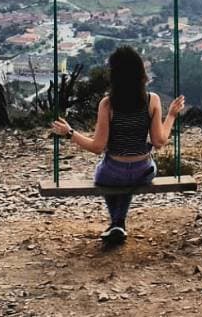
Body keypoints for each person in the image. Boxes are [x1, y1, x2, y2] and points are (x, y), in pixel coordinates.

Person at [51, 46, 185, 246]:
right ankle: (118, 224)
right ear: (141, 72)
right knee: (127, 178)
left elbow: (97, 147)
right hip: (143, 170)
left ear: (114, 75)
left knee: (107, 173)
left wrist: (70, 132)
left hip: (112, 173)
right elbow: (159, 142)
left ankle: (117, 222)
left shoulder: (107, 104)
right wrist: (172, 115)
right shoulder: (152, 100)